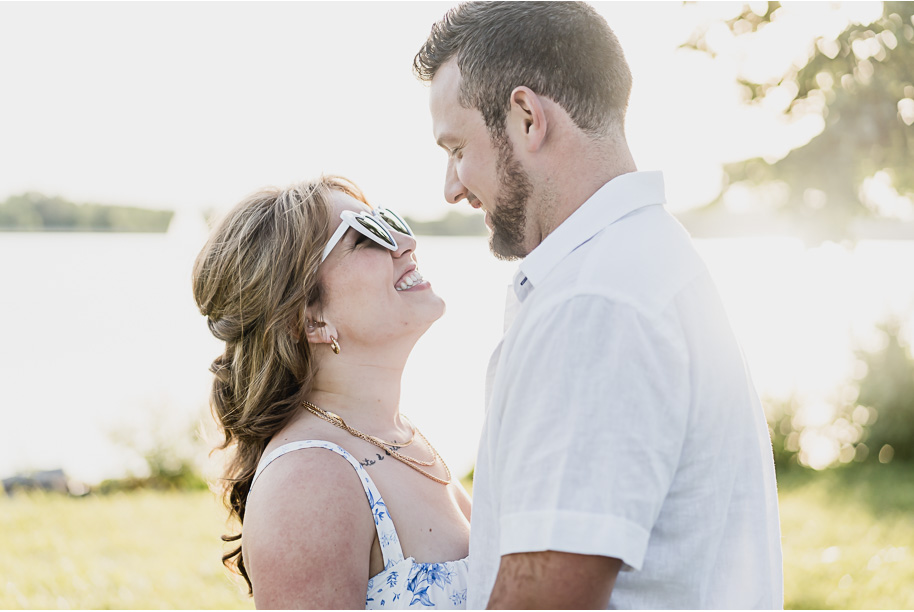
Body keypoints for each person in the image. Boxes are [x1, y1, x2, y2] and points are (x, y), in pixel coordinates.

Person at [414, 2, 783, 609]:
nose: (451, 187)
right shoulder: (647, 259)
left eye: (456, 148)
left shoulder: (592, 303)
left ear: (527, 118)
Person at [192, 176, 472, 609]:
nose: (405, 240)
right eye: (365, 237)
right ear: (310, 321)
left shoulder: (397, 436)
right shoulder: (308, 482)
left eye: (387, 220)